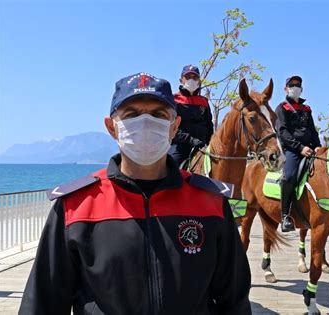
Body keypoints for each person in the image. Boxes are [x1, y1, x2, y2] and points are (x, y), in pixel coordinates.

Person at [19, 72, 252, 315]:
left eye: (158, 115)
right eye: (131, 115)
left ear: (174, 127)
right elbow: (42, 303)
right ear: (112, 128)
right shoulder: (74, 207)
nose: (146, 123)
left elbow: (234, 300)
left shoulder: (211, 202)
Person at [275, 75, 321, 232]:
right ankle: (285, 215)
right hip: (292, 150)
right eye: (292, 84)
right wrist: (300, 148)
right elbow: (282, 132)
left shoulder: (307, 109)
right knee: (289, 176)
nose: (295, 87)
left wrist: (318, 146)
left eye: (298, 85)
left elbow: (312, 131)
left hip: (310, 149)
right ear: (286, 88)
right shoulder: (282, 108)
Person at [169, 64, 214, 167]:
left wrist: (211, 143)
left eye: (195, 77)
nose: (191, 80)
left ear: (199, 81)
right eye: (188, 77)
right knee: (170, 167)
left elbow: (209, 125)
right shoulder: (174, 100)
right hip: (180, 147)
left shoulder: (204, 102)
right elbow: (172, 128)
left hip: (203, 147)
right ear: (181, 80)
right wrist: (192, 141)